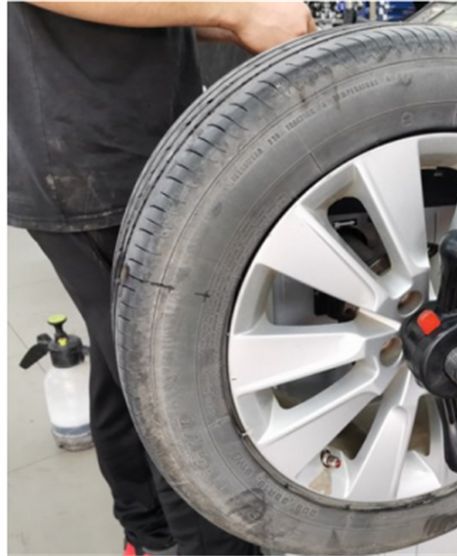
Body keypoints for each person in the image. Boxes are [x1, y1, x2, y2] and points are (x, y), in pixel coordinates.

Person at [8, 3, 316, 555]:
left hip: (118, 154)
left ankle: (148, 535)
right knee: (182, 397)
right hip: (94, 163)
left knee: (126, 363)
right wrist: (235, 10)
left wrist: (222, 20)